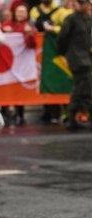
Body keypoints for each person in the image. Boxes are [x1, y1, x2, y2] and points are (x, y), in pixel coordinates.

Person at [58, 0, 92, 131]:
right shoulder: (71, 19)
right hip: (77, 58)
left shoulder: (88, 19)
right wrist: (66, 53)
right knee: (81, 88)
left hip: (86, 57)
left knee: (84, 87)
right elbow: (62, 38)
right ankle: (71, 117)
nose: (82, 6)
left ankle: (74, 117)